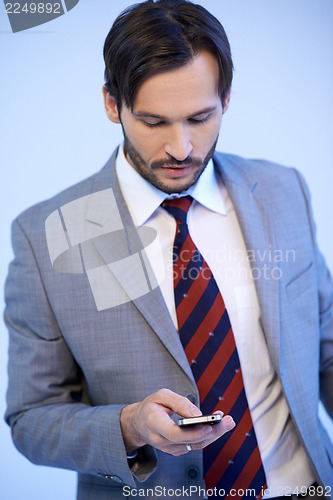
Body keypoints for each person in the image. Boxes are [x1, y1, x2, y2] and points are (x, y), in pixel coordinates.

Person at [4, 1, 333, 499]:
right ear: (113, 104)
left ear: (225, 99)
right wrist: (129, 426)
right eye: (154, 122)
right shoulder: (45, 233)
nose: (181, 148)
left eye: (200, 118)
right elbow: (31, 418)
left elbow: (326, 353)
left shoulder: (284, 190)